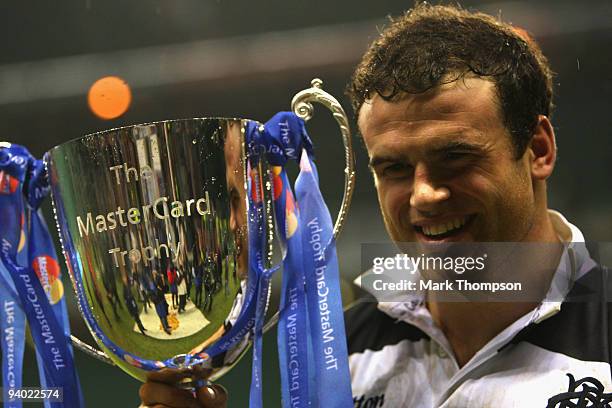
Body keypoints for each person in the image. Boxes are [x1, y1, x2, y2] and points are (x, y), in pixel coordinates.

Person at [138, 4, 611, 407]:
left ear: (539, 150)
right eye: (395, 169)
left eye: (455, 157)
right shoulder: (339, 350)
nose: (424, 194)